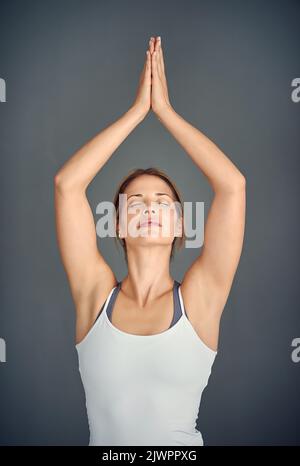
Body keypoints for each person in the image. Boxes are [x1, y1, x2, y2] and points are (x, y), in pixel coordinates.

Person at [54, 36, 246, 446]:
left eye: (163, 202)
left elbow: (233, 185)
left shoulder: (200, 298)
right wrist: (137, 112)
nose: (150, 208)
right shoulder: (94, 296)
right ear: (118, 224)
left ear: (179, 225)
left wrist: (166, 112)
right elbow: (67, 185)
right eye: (136, 202)